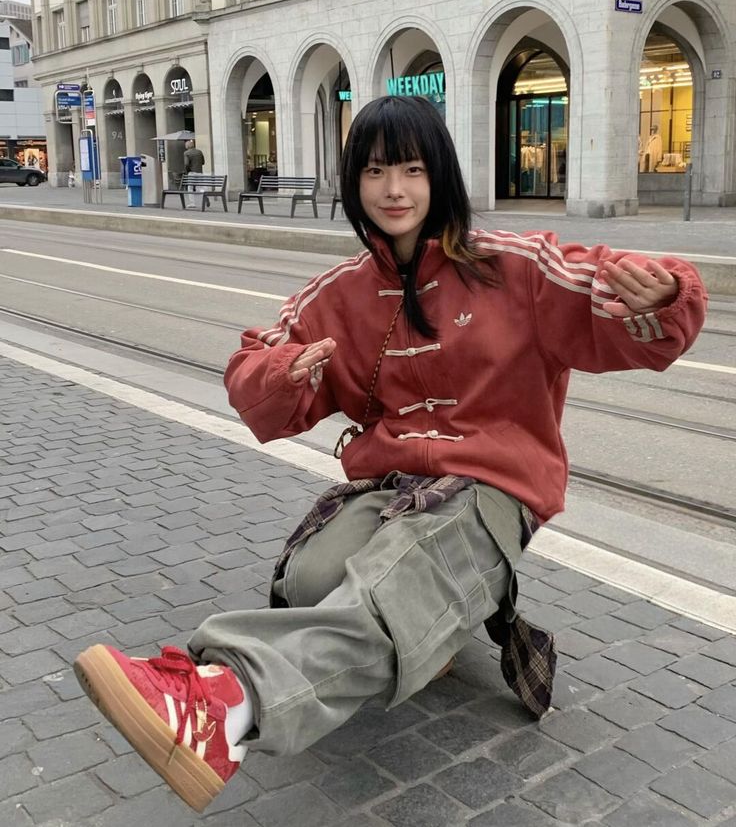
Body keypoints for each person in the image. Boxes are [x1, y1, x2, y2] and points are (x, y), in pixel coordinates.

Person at [73, 96, 707, 814]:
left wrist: (666, 294)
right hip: (391, 481)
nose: (396, 189)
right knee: (311, 581)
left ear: (440, 175)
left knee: (397, 576)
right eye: (376, 171)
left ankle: (228, 704)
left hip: (494, 483)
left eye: (412, 168)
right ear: (355, 181)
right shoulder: (337, 293)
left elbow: (610, 287)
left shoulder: (515, 267)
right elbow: (251, 372)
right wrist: (284, 375)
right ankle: (428, 622)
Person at [183, 138, 206, 208]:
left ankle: (192, 203)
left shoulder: (186, 153)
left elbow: (186, 164)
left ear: (187, 146)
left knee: (190, 188)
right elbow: (203, 162)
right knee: (201, 187)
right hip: (200, 172)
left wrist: (187, 171)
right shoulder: (199, 152)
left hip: (192, 173)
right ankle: (205, 198)